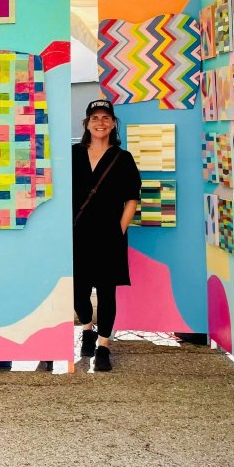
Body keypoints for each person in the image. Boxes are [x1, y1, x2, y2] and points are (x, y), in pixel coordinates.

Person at [72, 99, 141, 371]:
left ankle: (103, 345)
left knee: (106, 292)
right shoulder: (74, 154)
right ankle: (87, 327)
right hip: (76, 234)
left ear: (113, 123)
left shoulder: (122, 158)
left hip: (109, 235)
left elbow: (132, 199)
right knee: (78, 291)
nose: (100, 123)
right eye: (95, 118)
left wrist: (119, 230)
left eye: (105, 118)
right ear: (87, 124)